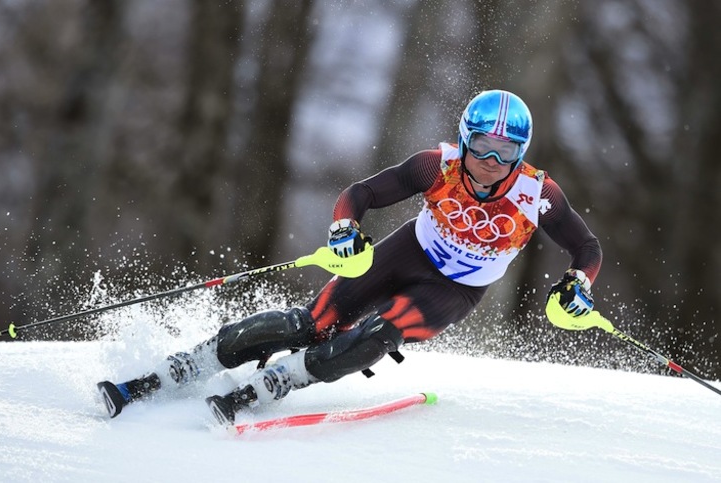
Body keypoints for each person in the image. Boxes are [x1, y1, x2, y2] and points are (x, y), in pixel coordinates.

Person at [97, 89, 602, 424]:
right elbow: (361, 193)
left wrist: (578, 281)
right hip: (410, 250)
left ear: (522, 152)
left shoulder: (538, 194)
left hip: (455, 288)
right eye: (484, 147)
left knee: (383, 330)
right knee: (312, 322)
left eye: (507, 152)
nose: (492, 163)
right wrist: (344, 229)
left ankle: (275, 384)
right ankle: (187, 365)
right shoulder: (437, 166)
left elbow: (586, 247)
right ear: (466, 140)